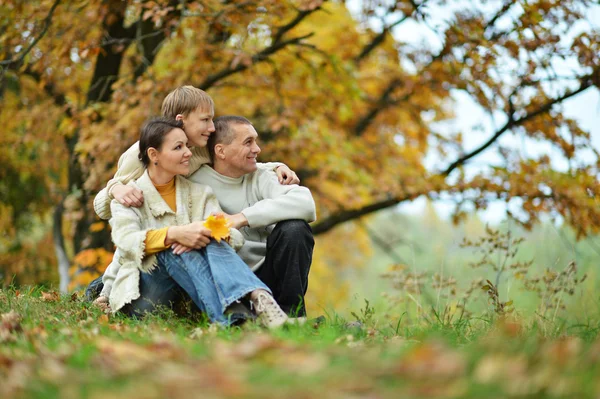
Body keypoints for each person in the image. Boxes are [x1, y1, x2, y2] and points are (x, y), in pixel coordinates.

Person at [88, 86, 298, 304]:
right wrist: (115, 189)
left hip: (182, 231)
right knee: (136, 239)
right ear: (181, 120)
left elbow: (237, 155)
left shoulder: (202, 146)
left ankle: (254, 302)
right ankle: (103, 290)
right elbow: (103, 209)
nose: (212, 127)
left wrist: (276, 166)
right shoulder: (138, 154)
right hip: (145, 244)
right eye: (205, 120)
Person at [105, 117, 288, 328]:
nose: (188, 153)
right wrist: (174, 234)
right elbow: (126, 241)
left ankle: (255, 304)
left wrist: (208, 230)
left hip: (190, 295)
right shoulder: (128, 195)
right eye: (178, 147)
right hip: (144, 296)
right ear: (154, 155)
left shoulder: (199, 192)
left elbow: (234, 236)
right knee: (174, 248)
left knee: (210, 236)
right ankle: (235, 313)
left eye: (186, 145)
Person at [190, 116, 316, 317]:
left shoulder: (260, 175)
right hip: (224, 278)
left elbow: (306, 203)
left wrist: (242, 217)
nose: (257, 149)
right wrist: (119, 186)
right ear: (221, 151)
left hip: (269, 275)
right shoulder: (193, 182)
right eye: (248, 142)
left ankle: (291, 316)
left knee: (295, 228)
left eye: (255, 141)